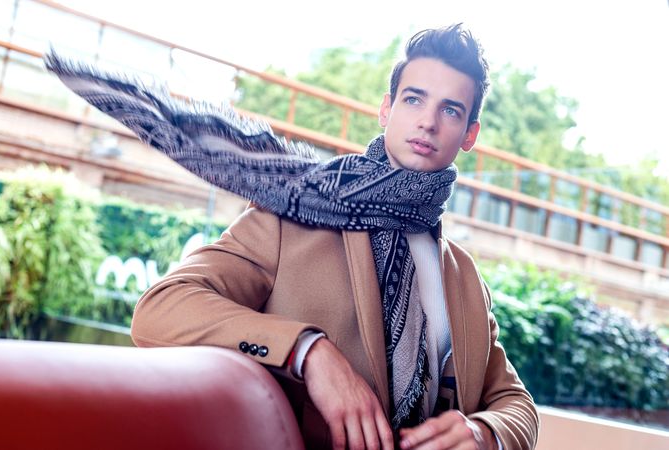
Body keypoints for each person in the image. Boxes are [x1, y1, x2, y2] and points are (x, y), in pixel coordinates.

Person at [122, 24, 540, 450]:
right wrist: (308, 352)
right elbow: (161, 309)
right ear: (386, 109)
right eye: (414, 99)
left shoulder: (463, 275)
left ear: (470, 134)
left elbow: (514, 401)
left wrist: (485, 433)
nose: (428, 122)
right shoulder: (293, 217)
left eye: (450, 110)